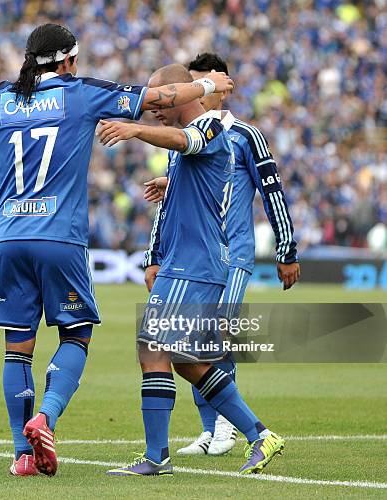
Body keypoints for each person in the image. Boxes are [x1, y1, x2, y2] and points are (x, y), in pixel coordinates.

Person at [0, 23, 233, 477]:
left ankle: (22, 455)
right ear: (68, 60)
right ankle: (44, 416)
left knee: (17, 350)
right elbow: (158, 97)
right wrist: (208, 83)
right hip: (59, 236)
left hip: (6, 239)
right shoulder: (80, 92)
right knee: (76, 335)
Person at [98, 64, 284, 476]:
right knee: (185, 360)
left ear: (182, 93)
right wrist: (171, 191)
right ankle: (260, 435)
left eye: (162, 99)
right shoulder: (185, 144)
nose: (154, 109)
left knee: (152, 351)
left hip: (195, 264)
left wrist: (133, 131)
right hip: (187, 261)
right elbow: (194, 172)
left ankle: (154, 456)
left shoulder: (213, 127)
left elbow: (189, 140)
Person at [142, 53, 300, 457]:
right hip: (187, 255)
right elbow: (175, 202)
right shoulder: (181, 139)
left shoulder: (244, 134)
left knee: (201, 341)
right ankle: (215, 427)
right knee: (186, 348)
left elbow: (271, 191)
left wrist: (286, 248)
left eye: (201, 85)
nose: (198, 93)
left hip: (231, 254)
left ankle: (228, 426)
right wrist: (153, 255)